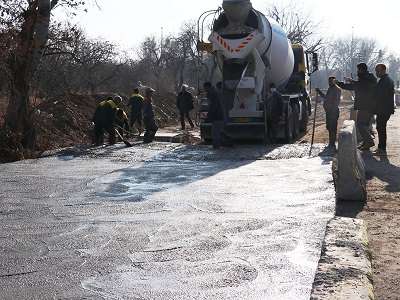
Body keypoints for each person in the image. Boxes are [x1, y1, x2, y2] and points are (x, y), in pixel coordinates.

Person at [337, 63, 377, 150]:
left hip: (365, 106)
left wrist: (338, 83)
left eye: (358, 69)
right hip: (368, 105)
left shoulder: (365, 79)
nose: (357, 71)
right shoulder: (368, 77)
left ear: (362, 70)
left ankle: (369, 142)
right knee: (364, 124)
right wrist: (352, 81)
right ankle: (366, 142)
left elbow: (354, 87)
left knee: (361, 124)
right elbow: (359, 84)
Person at [373, 63, 395, 155]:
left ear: (383, 70)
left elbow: (381, 95)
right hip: (384, 108)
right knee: (380, 128)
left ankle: (382, 149)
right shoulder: (385, 80)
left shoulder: (385, 81)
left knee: (381, 128)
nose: (376, 73)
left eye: (377, 71)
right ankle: (381, 148)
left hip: (384, 109)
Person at [316, 77, 342, 149]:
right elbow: (326, 98)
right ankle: (331, 142)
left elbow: (335, 101)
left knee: (332, 127)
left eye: (331, 81)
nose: (329, 83)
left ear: (334, 81)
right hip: (329, 111)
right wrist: (319, 92)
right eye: (329, 81)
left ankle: (332, 143)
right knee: (329, 127)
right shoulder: (330, 89)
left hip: (333, 112)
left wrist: (331, 109)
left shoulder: (336, 90)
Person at [204, 82, 225, 149]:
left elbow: (213, 106)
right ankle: (217, 146)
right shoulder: (215, 92)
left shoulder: (212, 93)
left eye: (205, 88)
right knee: (216, 132)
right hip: (219, 115)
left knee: (215, 132)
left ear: (208, 87)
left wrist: (209, 115)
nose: (204, 89)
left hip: (217, 116)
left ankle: (216, 147)